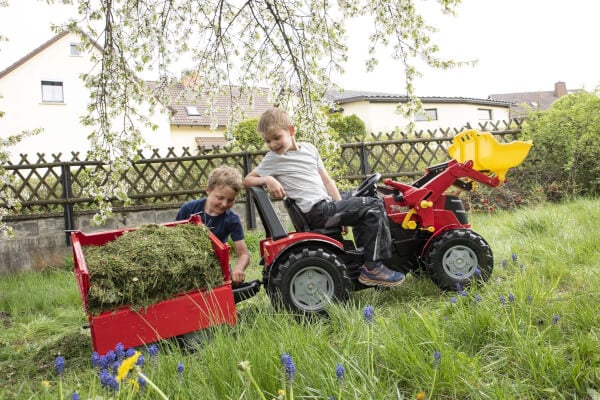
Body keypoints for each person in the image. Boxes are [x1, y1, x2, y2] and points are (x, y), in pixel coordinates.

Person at [242, 107, 404, 287]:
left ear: (291, 130)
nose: (272, 144)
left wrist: (341, 207)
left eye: (276, 138)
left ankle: (367, 256)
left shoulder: (310, 149)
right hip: (317, 211)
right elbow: (247, 180)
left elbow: (328, 182)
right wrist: (268, 179)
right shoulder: (273, 159)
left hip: (327, 204)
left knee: (362, 196)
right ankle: (373, 268)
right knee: (373, 206)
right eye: (267, 141)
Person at [176, 166, 250, 286]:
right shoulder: (188, 209)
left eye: (231, 200)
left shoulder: (232, 219)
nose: (224, 204)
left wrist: (239, 269)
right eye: (220, 198)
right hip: (187, 263)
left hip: (216, 264)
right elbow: (175, 238)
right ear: (208, 190)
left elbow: (244, 254)